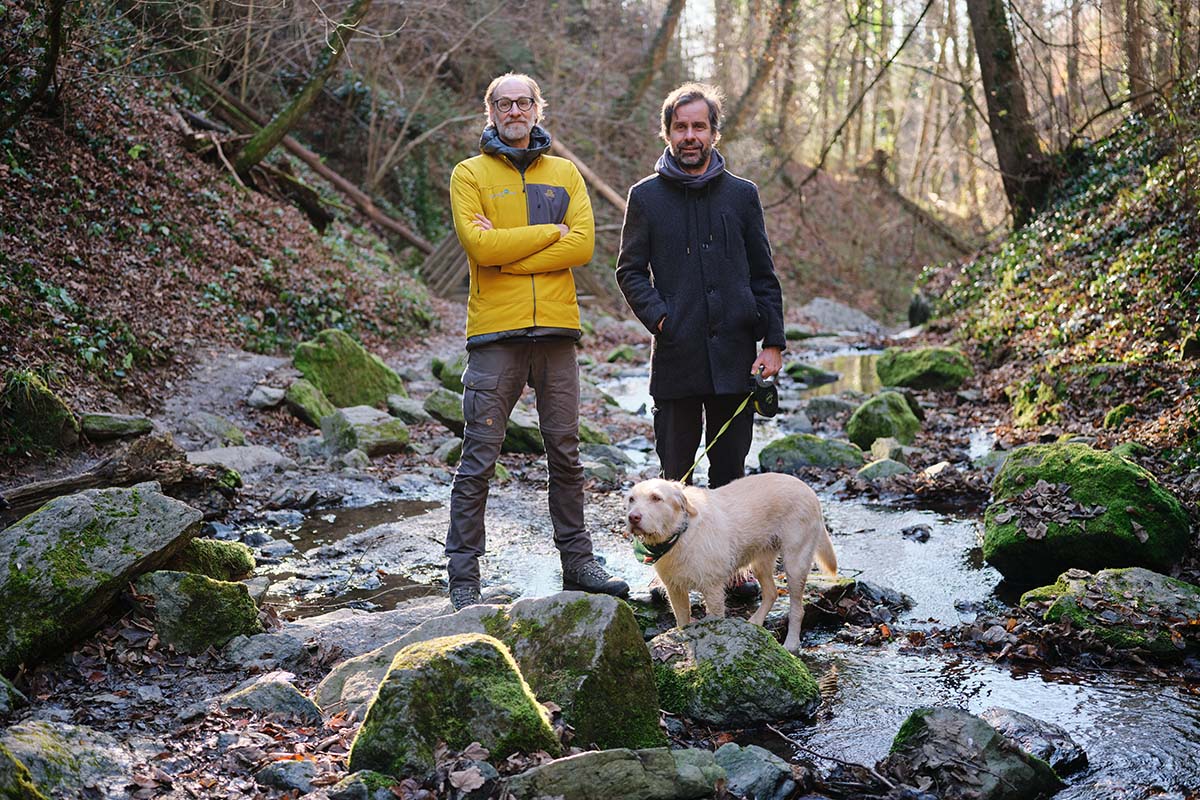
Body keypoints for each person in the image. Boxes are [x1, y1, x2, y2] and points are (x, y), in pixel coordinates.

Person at [445, 72, 629, 611]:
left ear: (537, 108)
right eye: (504, 103)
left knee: (566, 454)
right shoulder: (469, 174)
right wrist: (549, 233)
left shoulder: (565, 174)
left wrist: (511, 252)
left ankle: (578, 563)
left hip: (555, 335)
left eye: (524, 101)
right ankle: (463, 579)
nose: (515, 110)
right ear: (491, 110)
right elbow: (478, 247)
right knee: (478, 457)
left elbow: (583, 246)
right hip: (493, 336)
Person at [615, 82, 786, 597]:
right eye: (680, 127)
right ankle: (668, 569)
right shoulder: (645, 197)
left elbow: (763, 272)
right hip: (676, 358)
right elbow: (629, 271)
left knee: (731, 472)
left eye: (699, 126)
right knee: (675, 473)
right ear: (667, 131)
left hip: (735, 355)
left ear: (714, 131)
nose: (690, 136)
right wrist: (662, 319)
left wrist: (772, 342)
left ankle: (729, 565)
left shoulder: (742, 194)